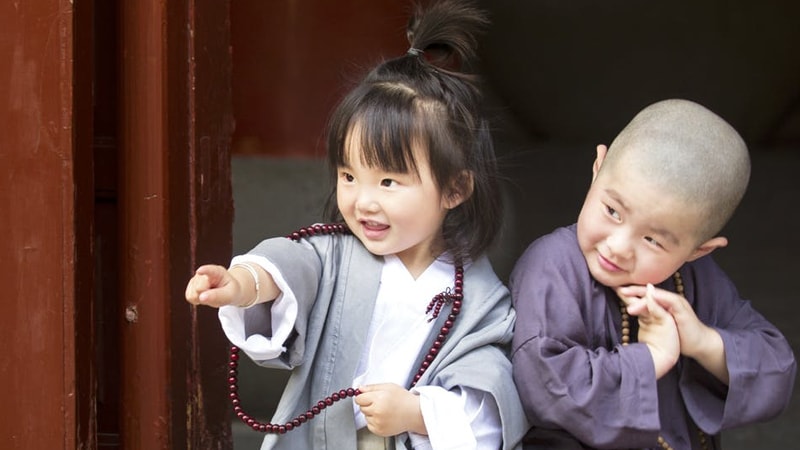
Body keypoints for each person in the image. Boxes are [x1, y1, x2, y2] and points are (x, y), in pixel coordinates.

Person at [185, 1, 528, 449]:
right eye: (349, 176)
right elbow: (291, 268)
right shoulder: (334, 256)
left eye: (388, 180)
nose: (363, 200)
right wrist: (242, 284)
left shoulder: (481, 301)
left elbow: (491, 390)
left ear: (455, 189)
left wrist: (418, 413)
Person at [509, 98, 797, 449]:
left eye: (652, 240)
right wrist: (651, 359)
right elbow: (547, 386)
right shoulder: (553, 266)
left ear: (698, 250)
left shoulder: (697, 279)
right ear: (597, 169)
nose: (618, 246)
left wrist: (702, 341)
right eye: (613, 211)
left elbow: (777, 367)